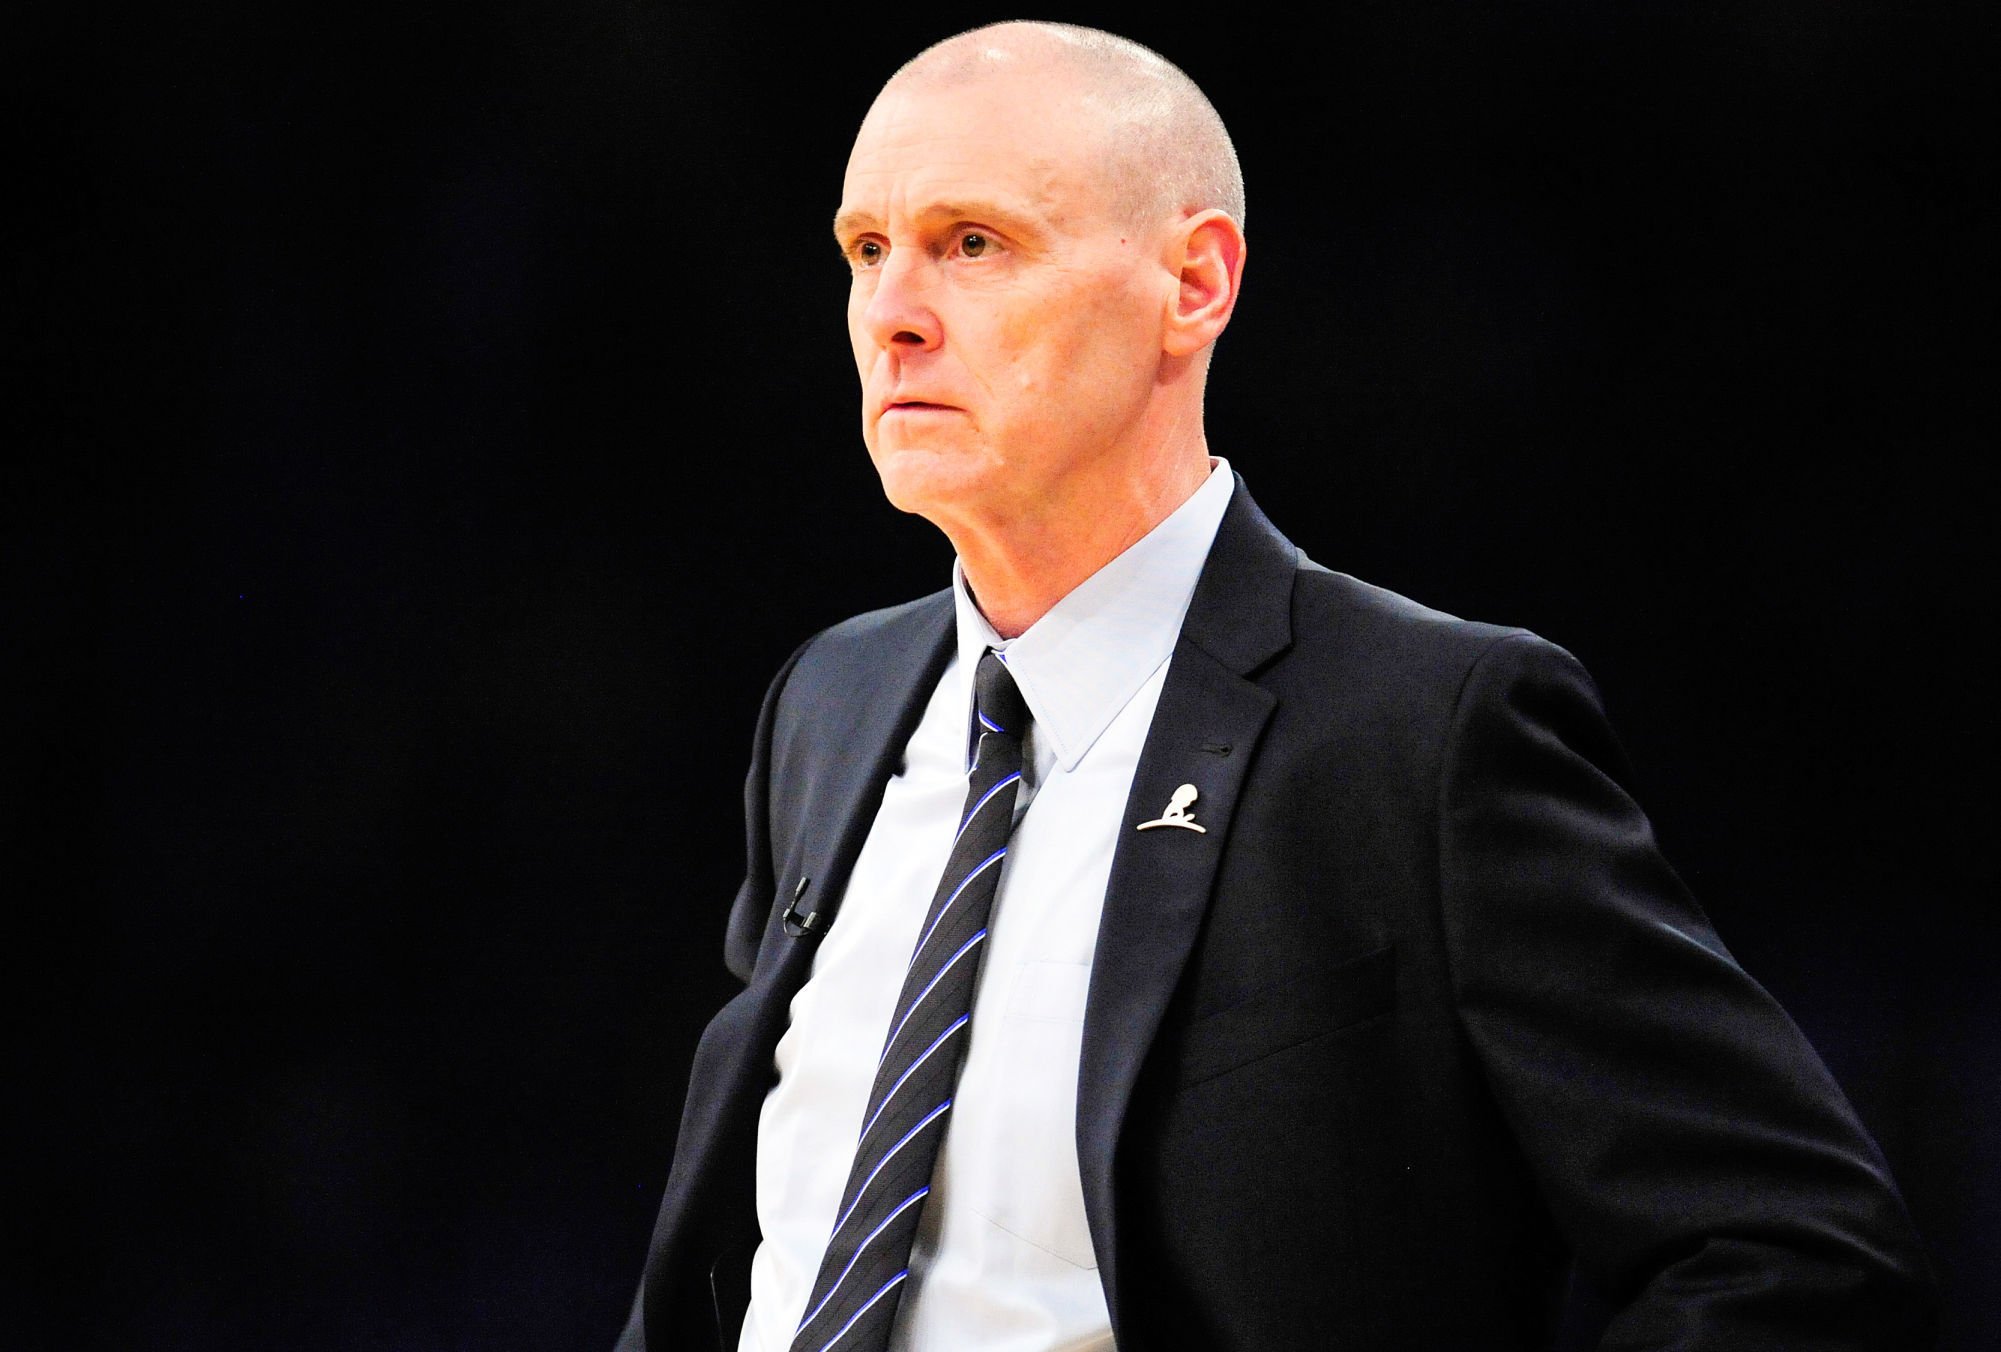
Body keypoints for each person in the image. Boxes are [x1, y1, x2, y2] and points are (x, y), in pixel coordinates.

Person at [616, 22, 1934, 1352]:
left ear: (1192, 284)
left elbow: (1794, 1252)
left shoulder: (1421, 734)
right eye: (865, 249)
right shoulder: (831, 703)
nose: (893, 313)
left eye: (973, 243)